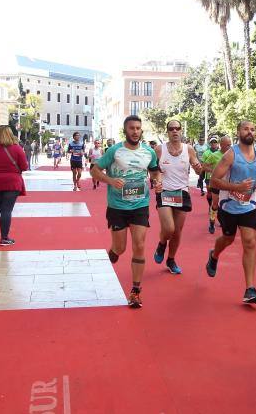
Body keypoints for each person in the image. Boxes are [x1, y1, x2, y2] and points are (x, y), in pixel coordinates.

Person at [90, 115, 162, 308]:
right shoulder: (114, 151)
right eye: (132, 128)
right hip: (117, 206)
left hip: (140, 205)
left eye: (138, 128)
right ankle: (113, 252)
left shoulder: (149, 152)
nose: (135, 131)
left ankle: (136, 291)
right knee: (120, 248)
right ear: (125, 130)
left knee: (139, 245)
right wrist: (111, 181)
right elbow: (94, 170)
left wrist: (156, 181)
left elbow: (155, 171)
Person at [206, 121, 256, 304]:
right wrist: (236, 187)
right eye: (246, 129)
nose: (250, 132)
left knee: (250, 242)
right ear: (239, 131)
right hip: (229, 205)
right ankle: (214, 254)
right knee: (228, 239)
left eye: (253, 129)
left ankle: (250, 288)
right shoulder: (231, 154)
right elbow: (214, 180)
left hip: (249, 205)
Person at [153, 120, 203, 274]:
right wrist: (157, 182)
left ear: (181, 131)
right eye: (171, 129)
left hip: (182, 192)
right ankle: (162, 244)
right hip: (165, 192)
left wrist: (198, 167)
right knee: (168, 229)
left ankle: (171, 259)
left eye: (177, 128)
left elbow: (197, 168)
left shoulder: (188, 149)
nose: (174, 131)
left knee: (177, 232)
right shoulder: (159, 150)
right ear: (167, 131)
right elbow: (155, 171)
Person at [0, 125, 27, 247]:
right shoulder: (17, 149)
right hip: (12, 183)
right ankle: (4, 238)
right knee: (6, 210)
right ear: (11, 134)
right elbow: (24, 166)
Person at [201, 137, 227, 234]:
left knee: (225, 204)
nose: (229, 146)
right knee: (215, 203)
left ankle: (223, 221)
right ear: (221, 144)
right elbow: (204, 166)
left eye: (230, 144)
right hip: (215, 182)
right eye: (227, 145)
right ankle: (212, 222)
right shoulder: (213, 155)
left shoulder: (232, 155)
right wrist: (214, 172)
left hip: (227, 184)